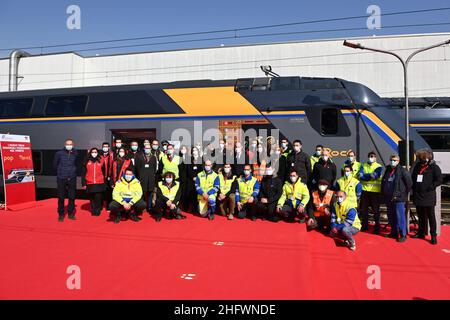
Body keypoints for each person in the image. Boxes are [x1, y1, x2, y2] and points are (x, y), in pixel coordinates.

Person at [411, 149, 443, 245]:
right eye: (420, 158)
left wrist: (431, 187)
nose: (421, 160)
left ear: (428, 158)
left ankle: (433, 235)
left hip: (429, 196)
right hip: (418, 195)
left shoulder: (434, 167)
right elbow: (413, 177)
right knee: (421, 216)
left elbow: (439, 180)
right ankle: (421, 233)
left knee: (431, 216)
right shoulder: (417, 166)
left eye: (423, 158)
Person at [381, 155, 412, 242]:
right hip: (389, 197)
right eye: (391, 160)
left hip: (399, 197)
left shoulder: (402, 171)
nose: (392, 161)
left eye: (394, 160)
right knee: (391, 216)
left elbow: (409, 183)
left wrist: (403, 193)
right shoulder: (388, 170)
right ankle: (393, 232)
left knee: (400, 216)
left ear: (398, 161)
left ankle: (403, 234)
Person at [53, 139, 78, 222]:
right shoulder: (59, 153)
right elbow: (55, 165)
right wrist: (60, 173)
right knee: (61, 197)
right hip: (61, 178)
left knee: (72, 197)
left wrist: (73, 172)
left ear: (73, 145)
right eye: (67, 144)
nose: (69, 145)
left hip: (72, 177)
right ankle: (61, 214)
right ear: (65, 144)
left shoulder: (75, 153)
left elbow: (77, 164)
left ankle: (71, 214)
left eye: (70, 144)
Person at [358, 151, 383, 234]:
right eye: (370, 156)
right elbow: (360, 176)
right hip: (365, 191)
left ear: (375, 158)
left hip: (375, 192)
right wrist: (369, 176)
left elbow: (375, 176)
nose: (371, 157)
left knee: (376, 211)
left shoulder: (379, 166)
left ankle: (377, 228)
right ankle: (364, 226)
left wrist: (366, 175)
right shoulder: (363, 165)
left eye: (372, 156)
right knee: (364, 211)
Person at [81, 148, 106, 216]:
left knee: (98, 198)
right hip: (90, 182)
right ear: (90, 153)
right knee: (92, 198)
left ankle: (97, 211)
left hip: (99, 182)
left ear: (97, 153)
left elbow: (104, 171)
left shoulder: (101, 160)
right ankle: (93, 209)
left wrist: (104, 181)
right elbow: (83, 173)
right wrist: (83, 183)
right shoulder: (86, 160)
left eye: (95, 152)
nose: (94, 153)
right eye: (93, 152)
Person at [134, 144, 158, 213]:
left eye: (149, 148)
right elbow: (137, 167)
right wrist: (140, 175)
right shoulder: (139, 157)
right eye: (146, 148)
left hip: (150, 178)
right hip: (142, 178)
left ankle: (149, 207)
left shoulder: (153, 157)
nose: (147, 149)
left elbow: (154, 168)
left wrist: (151, 175)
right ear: (144, 148)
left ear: (150, 149)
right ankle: (143, 206)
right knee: (142, 193)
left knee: (150, 193)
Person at [100, 142, 114, 211]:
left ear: (109, 147)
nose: (105, 148)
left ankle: (109, 206)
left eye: (106, 146)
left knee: (109, 192)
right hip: (101, 177)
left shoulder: (112, 155)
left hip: (109, 177)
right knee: (101, 192)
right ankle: (100, 205)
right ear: (102, 147)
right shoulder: (99, 155)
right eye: (104, 146)